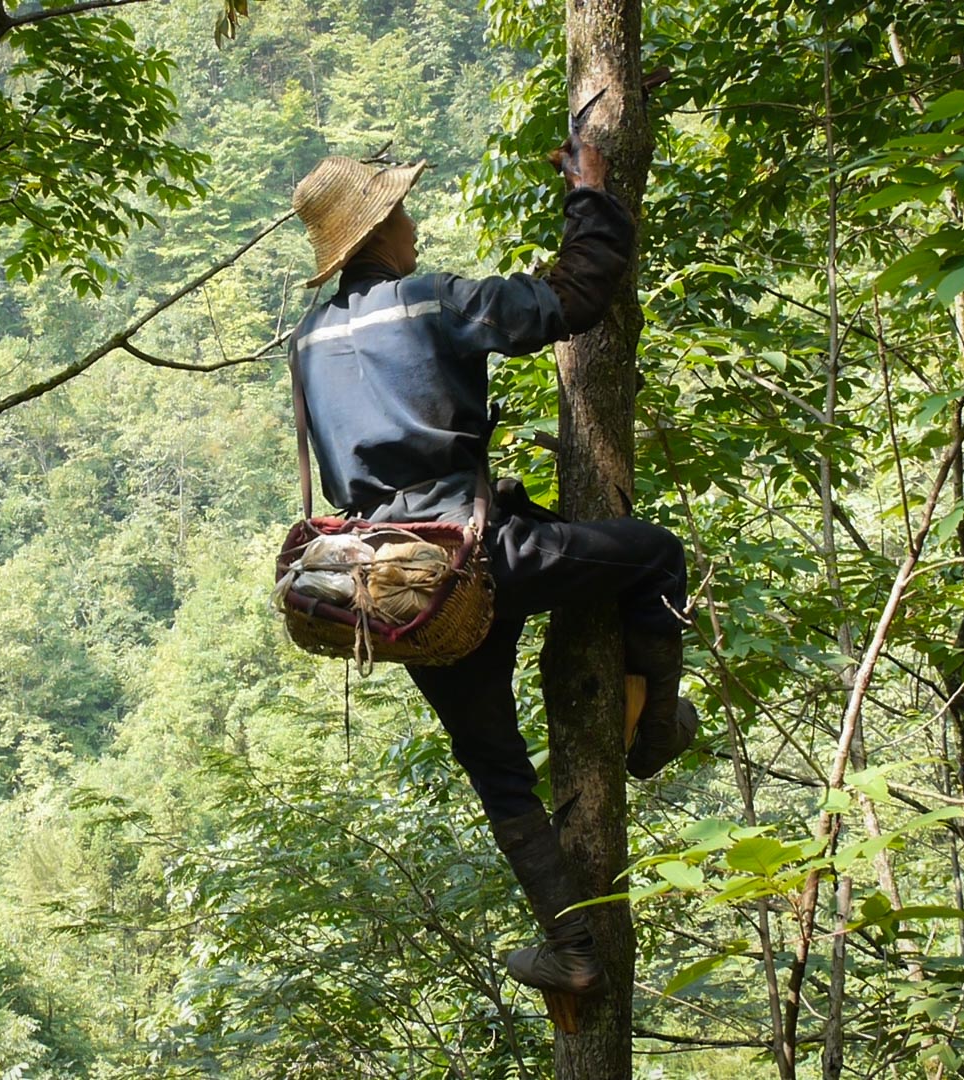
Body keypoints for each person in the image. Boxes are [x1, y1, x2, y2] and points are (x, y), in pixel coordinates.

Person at [287, 143, 698, 998]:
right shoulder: (432, 301)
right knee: (653, 554)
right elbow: (575, 299)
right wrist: (591, 197)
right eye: (401, 212)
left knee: (494, 765)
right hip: (482, 554)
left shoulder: (310, 339)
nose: (412, 223)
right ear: (382, 229)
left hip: (401, 587)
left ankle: (573, 950)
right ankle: (655, 727)